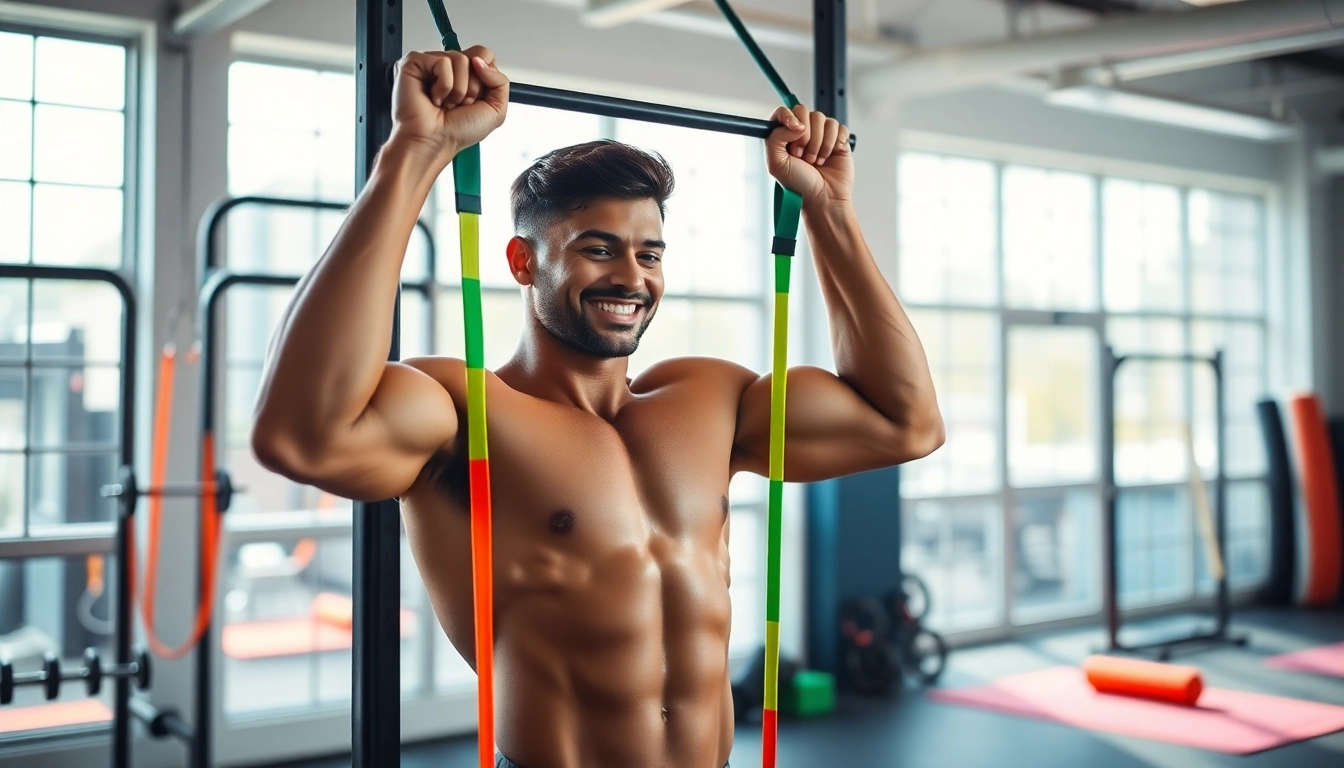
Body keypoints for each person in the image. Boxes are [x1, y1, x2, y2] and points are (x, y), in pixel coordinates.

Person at [251, 45, 943, 768]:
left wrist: (829, 210)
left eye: (650, 253)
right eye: (599, 249)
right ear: (524, 262)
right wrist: (413, 153)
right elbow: (302, 437)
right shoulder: (465, 411)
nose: (631, 276)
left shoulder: (708, 399)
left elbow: (906, 422)